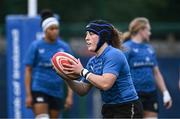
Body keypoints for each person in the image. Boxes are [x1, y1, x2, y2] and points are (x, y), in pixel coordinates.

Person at [59, 20, 143, 118]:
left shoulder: (114, 54)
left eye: (91, 34)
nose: (86, 38)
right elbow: (82, 89)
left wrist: (82, 71)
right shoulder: (92, 61)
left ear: (103, 36)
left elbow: (105, 84)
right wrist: (65, 76)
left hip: (126, 106)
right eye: (86, 35)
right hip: (109, 107)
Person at [24, 9, 73, 119]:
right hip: (39, 89)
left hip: (57, 91)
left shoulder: (64, 48)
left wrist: (70, 96)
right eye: (52, 28)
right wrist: (28, 95)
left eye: (57, 28)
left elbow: (70, 73)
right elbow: (28, 70)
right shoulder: (36, 46)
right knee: (42, 117)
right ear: (45, 30)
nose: (55, 31)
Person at [123, 17, 172, 118]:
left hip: (151, 93)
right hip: (134, 95)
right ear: (141, 30)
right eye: (148, 30)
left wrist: (165, 92)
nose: (150, 33)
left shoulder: (149, 48)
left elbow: (156, 73)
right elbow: (121, 72)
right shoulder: (126, 48)